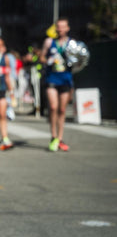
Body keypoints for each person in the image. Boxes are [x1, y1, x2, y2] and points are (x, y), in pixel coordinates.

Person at [40, 17, 73, 152]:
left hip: (66, 79)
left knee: (62, 110)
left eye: (63, 26)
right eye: (58, 26)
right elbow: (41, 57)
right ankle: (53, 136)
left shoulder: (72, 44)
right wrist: (48, 60)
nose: (60, 29)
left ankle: (60, 138)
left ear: (67, 28)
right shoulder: (49, 42)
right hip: (52, 78)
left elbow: (80, 60)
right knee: (53, 107)